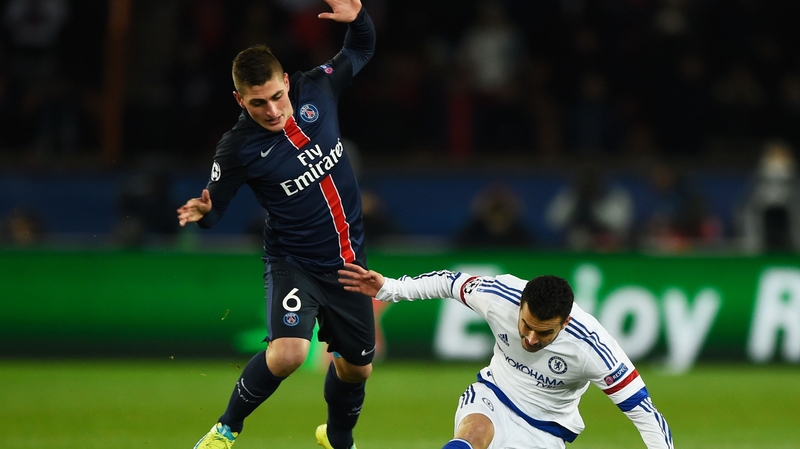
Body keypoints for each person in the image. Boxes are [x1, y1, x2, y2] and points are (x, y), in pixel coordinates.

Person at [177, 2, 376, 448]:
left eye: (276, 97)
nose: (271, 110)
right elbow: (215, 211)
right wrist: (205, 214)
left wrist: (358, 18)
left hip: (348, 263)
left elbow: (360, 48)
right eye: (257, 103)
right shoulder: (236, 149)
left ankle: (337, 437)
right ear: (239, 101)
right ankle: (226, 430)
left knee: (357, 367)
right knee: (289, 353)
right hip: (294, 262)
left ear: (287, 82)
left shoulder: (318, 89)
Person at [338, 263, 674, 449]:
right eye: (526, 325)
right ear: (521, 304)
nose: (530, 337)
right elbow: (449, 283)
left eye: (544, 333)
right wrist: (390, 288)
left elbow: (645, 414)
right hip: (493, 395)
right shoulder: (499, 295)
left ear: (566, 322)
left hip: (546, 428)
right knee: (469, 439)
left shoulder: (593, 348)